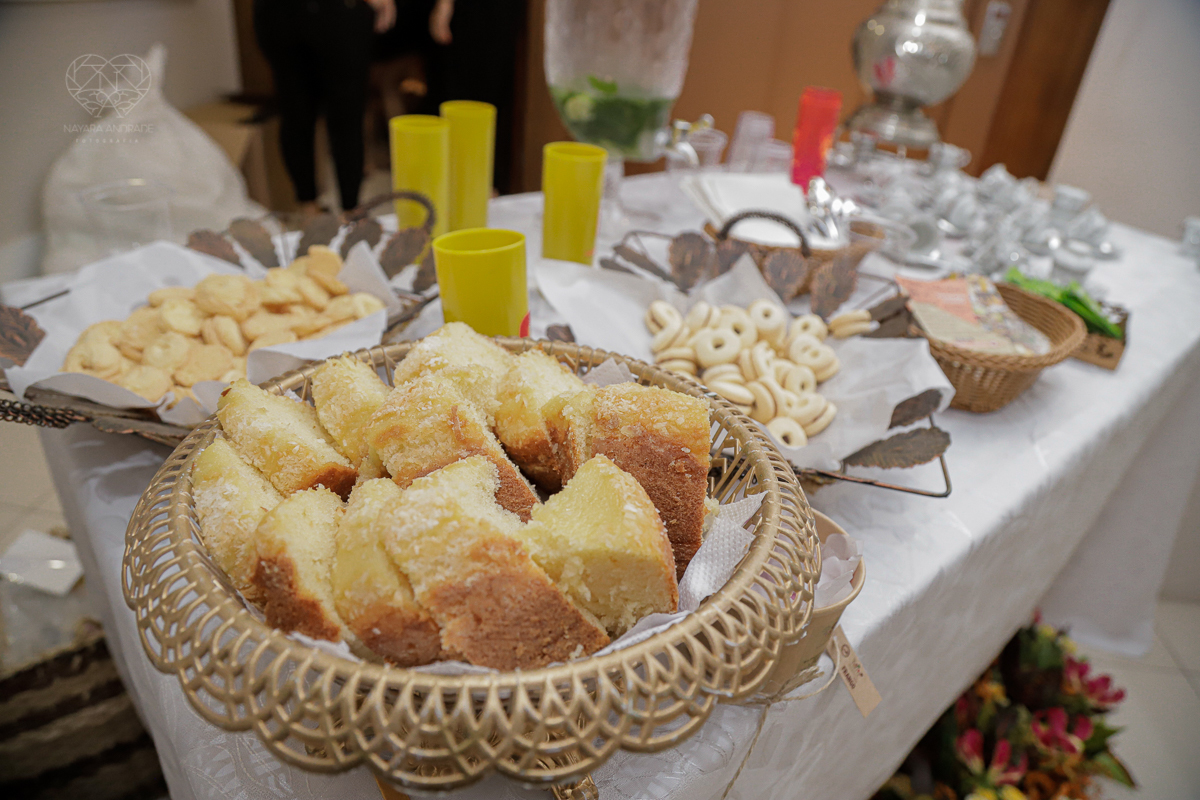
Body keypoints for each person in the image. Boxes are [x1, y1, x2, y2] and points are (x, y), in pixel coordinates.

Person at [254, 0, 396, 215]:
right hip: (329, 14)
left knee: (297, 113)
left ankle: (311, 210)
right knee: (342, 116)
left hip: (278, 14)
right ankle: (349, 212)